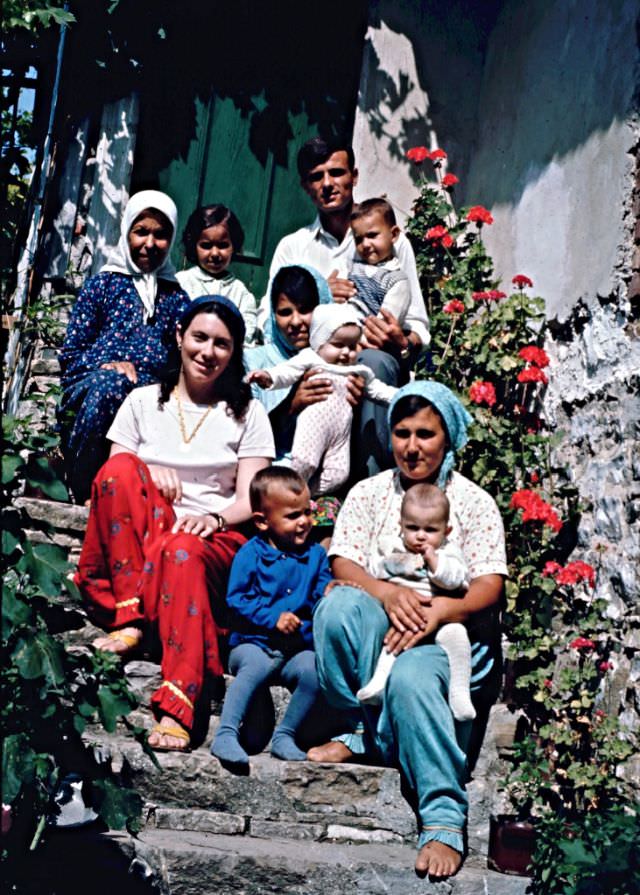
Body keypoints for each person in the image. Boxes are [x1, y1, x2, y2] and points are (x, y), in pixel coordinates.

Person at [309, 380, 508, 880]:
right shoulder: (370, 492)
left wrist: (440, 611)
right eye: (402, 433)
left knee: (414, 677)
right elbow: (344, 563)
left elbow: (489, 584)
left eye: (425, 433)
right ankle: (364, 731)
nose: (412, 447)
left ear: (448, 438)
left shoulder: (475, 501)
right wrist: (387, 594)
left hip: (451, 632)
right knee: (336, 610)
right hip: (389, 619)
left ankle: (442, 816)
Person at [74, 296, 275, 752]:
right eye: (200, 338)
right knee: (122, 470)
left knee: (181, 549)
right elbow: (113, 478)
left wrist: (214, 517)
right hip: (144, 534)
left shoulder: (248, 412)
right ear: (180, 335)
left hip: (211, 538)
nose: (208, 352)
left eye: (222, 344)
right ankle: (131, 614)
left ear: (235, 351)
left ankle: (180, 704)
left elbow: (253, 497)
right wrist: (145, 468)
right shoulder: (144, 401)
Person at [258, 136, 430, 479]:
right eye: (316, 176)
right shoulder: (294, 247)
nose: (327, 184)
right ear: (306, 186)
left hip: (372, 358)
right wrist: (320, 297)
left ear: (354, 175)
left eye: (336, 173)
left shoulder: (388, 239)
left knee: (372, 363)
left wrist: (399, 339)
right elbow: (267, 321)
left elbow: (419, 327)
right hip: (314, 363)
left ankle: (373, 484)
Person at [59, 190, 190, 503]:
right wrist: (107, 364)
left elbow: (183, 354)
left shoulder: (176, 297)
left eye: (160, 235)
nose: (149, 243)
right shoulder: (102, 285)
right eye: (141, 231)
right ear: (127, 231)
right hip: (95, 384)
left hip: (150, 389)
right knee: (112, 385)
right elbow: (72, 353)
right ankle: (85, 486)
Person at [211, 467, 332, 770]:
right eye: (292, 516)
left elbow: (318, 597)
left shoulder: (315, 556)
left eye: (307, 512)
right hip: (251, 643)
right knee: (256, 665)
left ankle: (285, 735)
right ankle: (226, 734)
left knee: (314, 670)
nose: (304, 521)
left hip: (293, 648)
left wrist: (329, 591)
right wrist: (272, 618)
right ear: (262, 521)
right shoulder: (251, 554)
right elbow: (236, 600)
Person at [356, 482, 474, 723]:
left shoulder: (449, 553)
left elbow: (458, 581)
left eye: (430, 530)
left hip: (440, 619)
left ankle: (460, 695)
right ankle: (378, 684)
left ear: (446, 531)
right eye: (412, 527)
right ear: (401, 526)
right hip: (405, 616)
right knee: (393, 642)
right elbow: (376, 569)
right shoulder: (393, 546)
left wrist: (435, 563)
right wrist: (400, 563)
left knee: (459, 639)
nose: (420, 536)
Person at [248, 304, 396, 496]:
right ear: (319, 342)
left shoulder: (359, 371)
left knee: (339, 475)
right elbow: (286, 372)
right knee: (304, 462)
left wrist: (403, 395)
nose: (346, 353)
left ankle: (305, 494)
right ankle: (284, 496)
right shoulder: (310, 358)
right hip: (314, 427)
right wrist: (268, 377)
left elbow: (379, 391)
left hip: (341, 433)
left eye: (352, 346)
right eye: (338, 345)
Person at [176, 204, 258, 344]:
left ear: (234, 246)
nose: (215, 253)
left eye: (223, 245)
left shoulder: (240, 292)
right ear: (194, 246)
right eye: (206, 246)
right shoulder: (181, 283)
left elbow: (247, 331)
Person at [346, 197, 410, 326]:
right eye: (359, 239)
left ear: (394, 234)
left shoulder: (395, 280)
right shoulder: (355, 267)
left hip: (367, 335)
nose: (365, 244)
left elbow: (385, 324)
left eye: (372, 235)